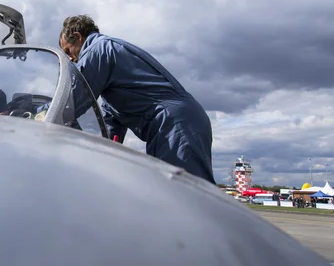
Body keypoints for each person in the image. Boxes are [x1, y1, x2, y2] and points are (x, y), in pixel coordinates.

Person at [58, 15, 216, 184]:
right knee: (168, 192)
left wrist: (38, 113)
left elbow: (72, 99)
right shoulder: (111, 67)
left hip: (174, 125)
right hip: (175, 123)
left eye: (68, 51)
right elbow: (110, 123)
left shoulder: (98, 50)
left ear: (78, 37)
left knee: (186, 195)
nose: (71, 59)